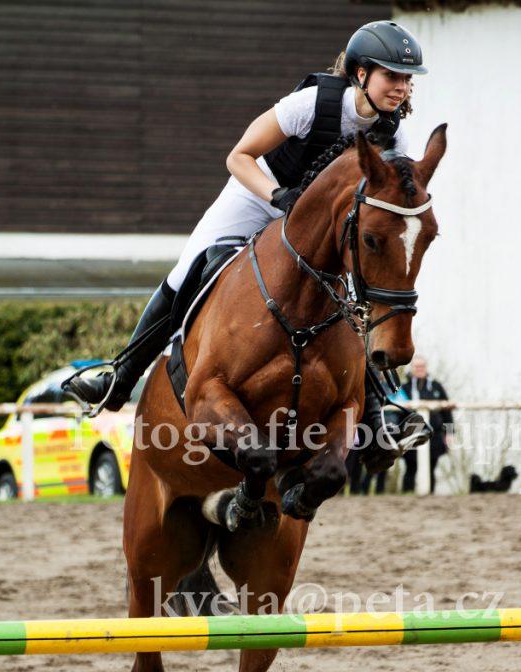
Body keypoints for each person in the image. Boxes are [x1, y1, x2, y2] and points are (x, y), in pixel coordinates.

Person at [62, 20, 430, 453]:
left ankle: (378, 418)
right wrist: (277, 196)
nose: (401, 87)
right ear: (361, 73)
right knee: (190, 267)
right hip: (258, 195)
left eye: (407, 79)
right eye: (392, 75)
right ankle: (120, 378)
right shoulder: (311, 103)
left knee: (352, 300)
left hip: (316, 226)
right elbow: (239, 156)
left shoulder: (393, 133)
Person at [400, 356, 453, 493]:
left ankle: (430, 496)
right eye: (417, 366)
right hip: (410, 435)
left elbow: (447, 412)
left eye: (422, 366)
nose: (420, 369)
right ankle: (407, 496)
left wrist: (450, 433)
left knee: (431, 467)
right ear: (412, 369)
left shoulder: (436, 386)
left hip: (434, 435)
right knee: (410, 467)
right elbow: (398, 412)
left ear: (426, 367)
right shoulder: (404, 388)